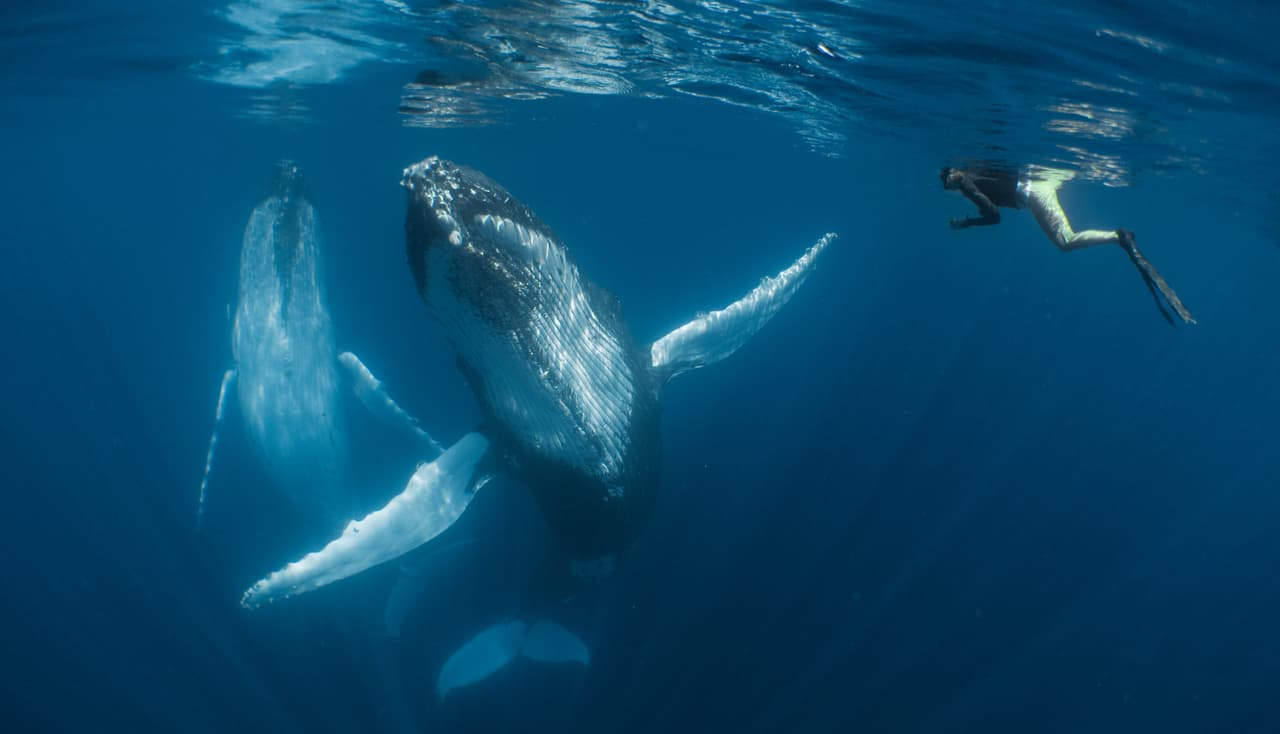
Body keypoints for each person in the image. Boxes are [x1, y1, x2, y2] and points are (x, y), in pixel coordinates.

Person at [940, 164, 1195, 325]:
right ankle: (1129, 174)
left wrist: (966, 224)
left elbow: (994, 216)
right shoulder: (973, 169)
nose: (952, 186)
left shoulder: (967, 185)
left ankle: (1118, 237)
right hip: (1039, 179)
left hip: (1036, 194)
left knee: (1065, 241)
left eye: (950, 184)